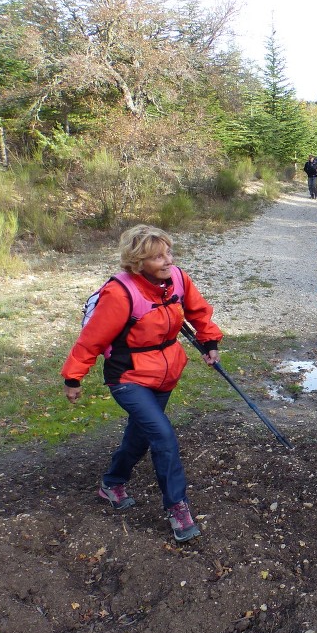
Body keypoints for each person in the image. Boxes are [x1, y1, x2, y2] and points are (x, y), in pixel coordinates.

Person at [61, 225, 223, 543]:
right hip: (128, 377)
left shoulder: (177, 278)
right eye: (157, 256)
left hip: (165, 372)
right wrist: (73, 376)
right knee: (163, 436)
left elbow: (199, 312)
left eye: (168, 253)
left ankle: (112, 483)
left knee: (140, 435)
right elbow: (91, 340)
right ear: (138, 262)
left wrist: (210, 341)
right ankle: (178, 508)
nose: (168, 261)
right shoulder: (120, 293)